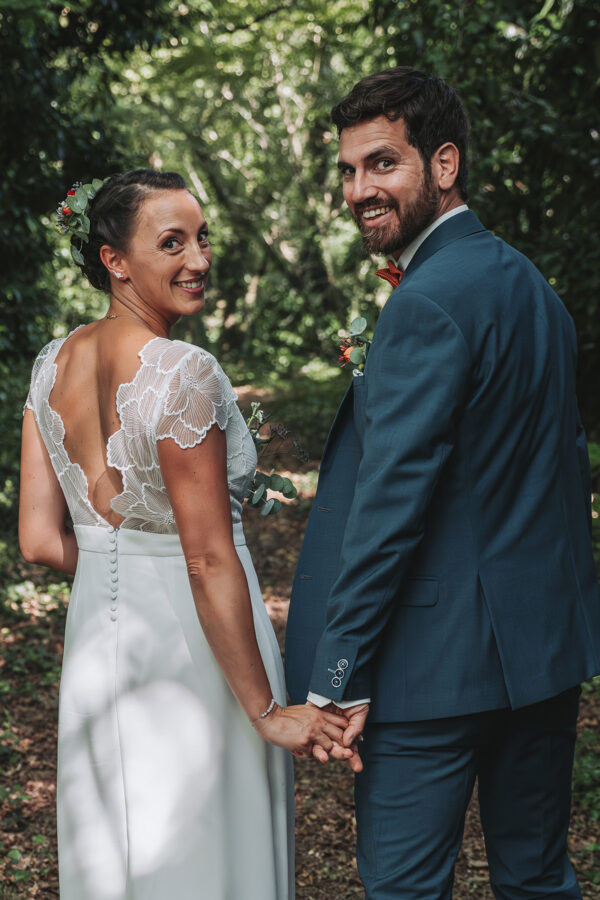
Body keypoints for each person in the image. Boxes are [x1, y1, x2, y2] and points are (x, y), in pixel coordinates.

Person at [285, 67, 600, 899]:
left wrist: (336, 675)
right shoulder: (537, 292)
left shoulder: (426, 303)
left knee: (402, 887)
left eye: (382, 164)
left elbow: (391, 505)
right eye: (349, 171)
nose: (359, 190)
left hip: (433, 670)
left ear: (445, 164)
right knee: (536, 879)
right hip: (543, 659)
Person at [19, 168, 351, 900]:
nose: (198, 259)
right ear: (114, 260)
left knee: (122, 854)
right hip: (193, 651)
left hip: (98, 648)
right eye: (172, 242)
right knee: (210, 855)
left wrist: (117, 570)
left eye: (202, 238)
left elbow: (39, 541)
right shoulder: (184, 372)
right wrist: (267, 710)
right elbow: (206, 557)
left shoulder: (48, 367)